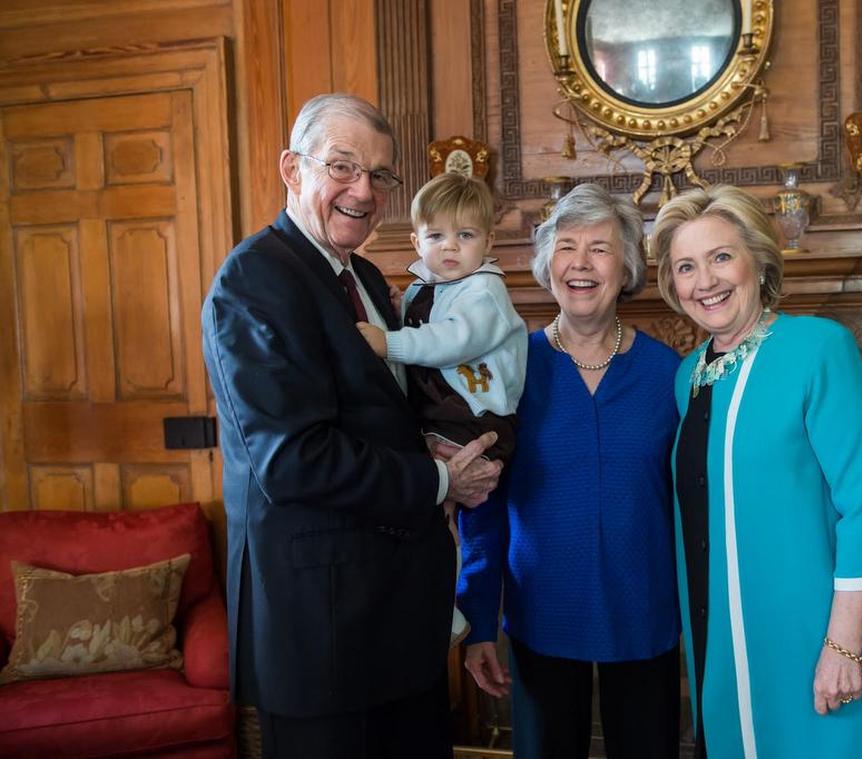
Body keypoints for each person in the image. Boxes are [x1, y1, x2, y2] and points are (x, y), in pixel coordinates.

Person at [200, 93, 501, 759]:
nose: (362, 192)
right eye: (342, 167)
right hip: (320, 628)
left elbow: (383, 414)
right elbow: (292, 459)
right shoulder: (253, 281)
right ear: (291, 169)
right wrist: (438, 477)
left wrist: (445, 447)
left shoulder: (362, 274)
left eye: (379, 175)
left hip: (397, 616)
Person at [649, 185, 862, 759]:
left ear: (759, 262)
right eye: (686, 267)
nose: (706, 281)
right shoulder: (689, 375)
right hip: (722, 635)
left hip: (817, 633)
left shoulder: (819, 348)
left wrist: (843, 645)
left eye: (721, 257)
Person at [458, 183, 682, 759]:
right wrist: (479, 619)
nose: (581, 263)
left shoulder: (669, 376)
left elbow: (692, 509)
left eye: (601, 249)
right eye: (567, 246)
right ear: (546, 264)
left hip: (646, 615)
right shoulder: (508, 371)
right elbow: (483, 507)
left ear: (628, 265)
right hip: (543, 613)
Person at [357, 171, 527, 645]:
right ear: (415, 240)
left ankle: (446, 607)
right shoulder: (430, 285)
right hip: (443, 412)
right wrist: (398, 306)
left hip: (477, 417)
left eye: (466, 235)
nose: (450, 248)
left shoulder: (484, 292)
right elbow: (425, 315)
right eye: (436, 236)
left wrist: (388, 342)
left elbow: (451, 340)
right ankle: (434, 600)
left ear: (489, 240)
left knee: (438, 511)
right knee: (432, 511)